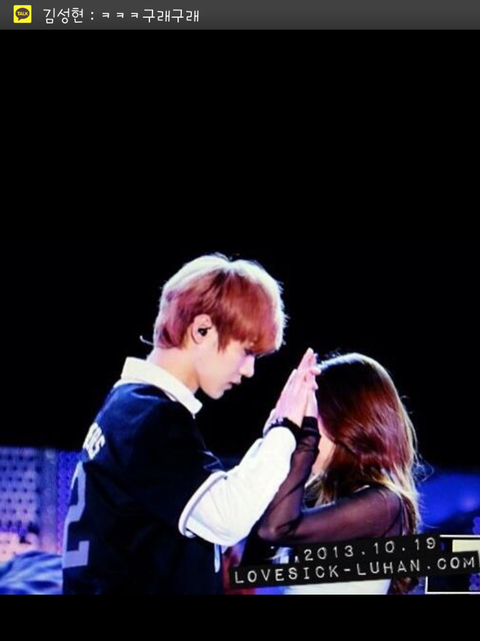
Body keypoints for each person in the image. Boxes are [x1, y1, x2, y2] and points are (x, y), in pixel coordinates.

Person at [62, 253, 318, 595]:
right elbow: (228, 519)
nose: (249, 371)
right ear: (201, 329)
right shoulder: (150, 418)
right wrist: (285, 429)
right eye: (246, 351)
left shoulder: (131, 406)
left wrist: (274, 434)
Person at [242, 352, 421, 595]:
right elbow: (251, 566)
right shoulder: (313, 496)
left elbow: (274, 529)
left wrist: (305, 440)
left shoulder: (383, 504)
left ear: (345, 420)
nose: (301, 423)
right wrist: (274, 440)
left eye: (309, 414)